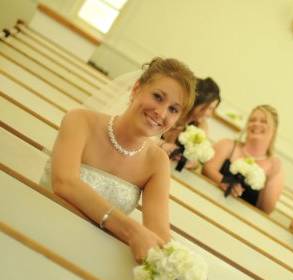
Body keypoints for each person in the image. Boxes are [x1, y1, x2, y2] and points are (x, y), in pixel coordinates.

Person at [40, 57, 196, 263]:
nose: (161, 112)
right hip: (40, 226)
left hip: (89, 260)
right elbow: (64, 183)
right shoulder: (80, 120)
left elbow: (159, 231)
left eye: (173, 109)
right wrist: (131, 231)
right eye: (158, 97)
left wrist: (182, 266)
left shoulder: (157, 162)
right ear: (136, 89)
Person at [202, 104, 284, 214]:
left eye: (263, 121)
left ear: (274, 130)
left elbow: (266, 209)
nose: (256, 124)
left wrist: (272, 175)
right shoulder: (228, 145)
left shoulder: (275, 167)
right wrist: (224, 181)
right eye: (252, 120)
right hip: (208, 204)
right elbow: (207, 169)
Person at [159, 77, 220, 169]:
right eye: (209, 108)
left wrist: (189, 161)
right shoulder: (171, 111)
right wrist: (162, 145)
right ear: (198, 101)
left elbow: (197, 162)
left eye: (212, 110)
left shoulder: (201, 127)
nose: (209, 114)